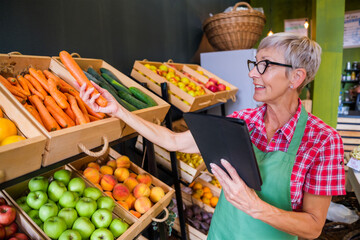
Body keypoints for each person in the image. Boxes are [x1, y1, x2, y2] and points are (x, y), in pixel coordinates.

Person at [80, 32, 345, 239]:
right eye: (254, 63)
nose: (252, 73)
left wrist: (256, 207)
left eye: (264, 65)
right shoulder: (243, 121)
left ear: (296, 77)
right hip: (221, 234)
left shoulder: (323, 141)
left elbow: (313, 226)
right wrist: (119, 110)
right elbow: (173, 141)